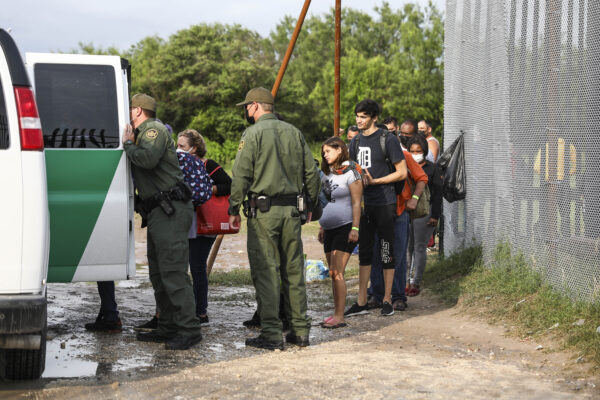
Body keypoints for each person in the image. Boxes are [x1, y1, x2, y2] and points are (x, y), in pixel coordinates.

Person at [229, 87, 320, 350]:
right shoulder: (295, 132)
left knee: (267, 271)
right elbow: (311, 173)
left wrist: (234, 208)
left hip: (264, 214)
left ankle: (271, 333)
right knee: (294, 271)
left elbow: (241, 175)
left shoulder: (252, 134)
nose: (246, 111)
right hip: (292, 212)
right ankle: (300, 330)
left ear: (256, 106)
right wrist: (311, 204)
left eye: (247, 106)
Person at [122, 93, 202, 350]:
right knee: (159, 273)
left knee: (173, 272)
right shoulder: (145, 131)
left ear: (137, 111)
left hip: (171, 209)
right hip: (159, 211)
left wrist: (127, 144)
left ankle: (189, 329)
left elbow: (147, 159)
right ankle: (167, 326)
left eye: (129, 109)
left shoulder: (152, 130)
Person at [345, 99, 407, 317]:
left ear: (374, 118)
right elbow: (352, 170)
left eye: (363, 116)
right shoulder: (355, 141)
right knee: (365, 252)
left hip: (385, 202)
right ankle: (362, 300)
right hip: (364, 204)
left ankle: (387, 299)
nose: (359, 121)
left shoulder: (387, 139)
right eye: (357, 116)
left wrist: (376, 181)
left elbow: (402, 172)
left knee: (386, 251)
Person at [368, 121, 428, 311]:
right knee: (378, 253)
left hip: (399, 212)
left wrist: (414, 199)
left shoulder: (403, 155)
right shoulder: (369, 157)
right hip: (377, 212)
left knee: (397, 255)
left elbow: (422, 178)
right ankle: (377, 295)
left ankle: (397, 296)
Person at [177, 129, 231, 324]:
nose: (178, 149)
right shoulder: (179, 164)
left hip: (205, 223)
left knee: (197, 266)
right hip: (187, 222)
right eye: (177, 145)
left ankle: (201, 311)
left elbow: (228, 184)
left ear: (195, 148)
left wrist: (205, 189)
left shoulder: (209, 165)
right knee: (185, 265)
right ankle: (190, 307)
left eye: (182, 146)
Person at [317, 137, 363, 328]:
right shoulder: (327, 173)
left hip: (345, 227)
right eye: (323, 152)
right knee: (333, 273)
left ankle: (340, 317)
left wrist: (355, 228)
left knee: (338, 272)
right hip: (328, 228)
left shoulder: (351, 173)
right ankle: (336, 312)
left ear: (339, 150)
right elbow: (324, 200)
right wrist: (321, 226)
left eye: (328, 151)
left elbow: (356, 202)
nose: (325, 155)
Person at [407, 134, 443, 295]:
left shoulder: (432, 169)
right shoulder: (404, 167)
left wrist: (435, 215)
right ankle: (405, 281)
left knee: (419, 247)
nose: (415, 154)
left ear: (425, 151)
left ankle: (416, 281)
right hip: (406, 211)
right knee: (407, 247)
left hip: (424, 212)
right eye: (412, 151)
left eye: (418, 151)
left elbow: (437, 194)